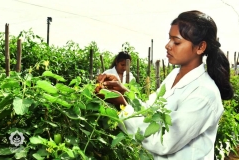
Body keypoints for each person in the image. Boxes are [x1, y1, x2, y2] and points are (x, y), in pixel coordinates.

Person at [96, 10, 234, 159]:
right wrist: (125, 93)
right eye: (169, 39)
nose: (168, 46)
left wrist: (122, 106)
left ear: (200, 47)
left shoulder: (204, 94)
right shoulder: (174, 75)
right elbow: (151, 110)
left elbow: (163, 142)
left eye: (177, 41)